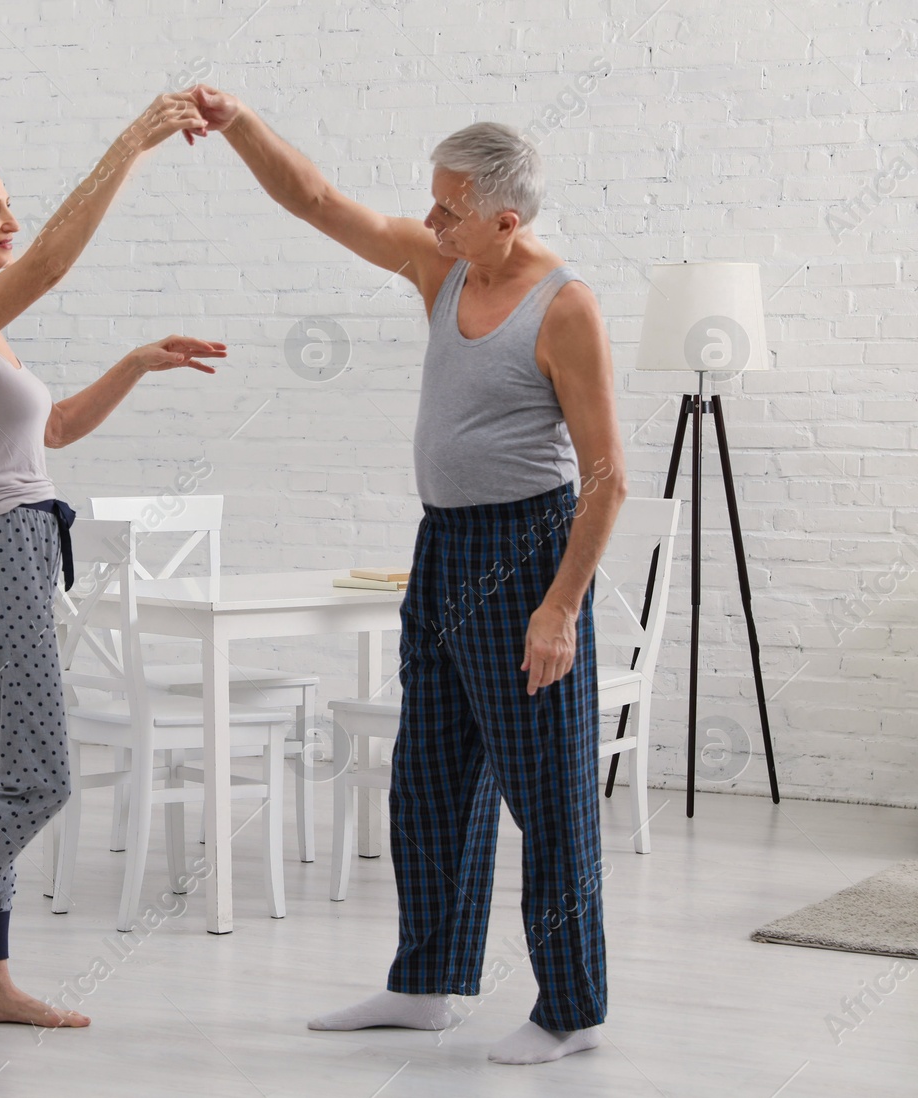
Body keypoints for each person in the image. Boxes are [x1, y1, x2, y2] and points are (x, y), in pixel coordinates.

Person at [190, 85, 626, 1066]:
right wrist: (240, 124)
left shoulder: (566, 309)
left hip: (526, 556)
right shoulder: (439, 268)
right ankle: (426, 983)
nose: (427, 220)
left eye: (448, 208)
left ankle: (571, 1009)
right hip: (441, 551)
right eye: (430, 202)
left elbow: (606, 480)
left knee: (547, 795)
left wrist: (559, 608)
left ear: (504, 221)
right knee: (427, 781)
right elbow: (315, 201)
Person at [0, 94, 227, 1043]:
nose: (11, 222)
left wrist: (137, 363)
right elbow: (55, 261)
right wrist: (133, 142)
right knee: (42, 776)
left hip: (17, 544)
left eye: (10, 206)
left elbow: (53, 429)